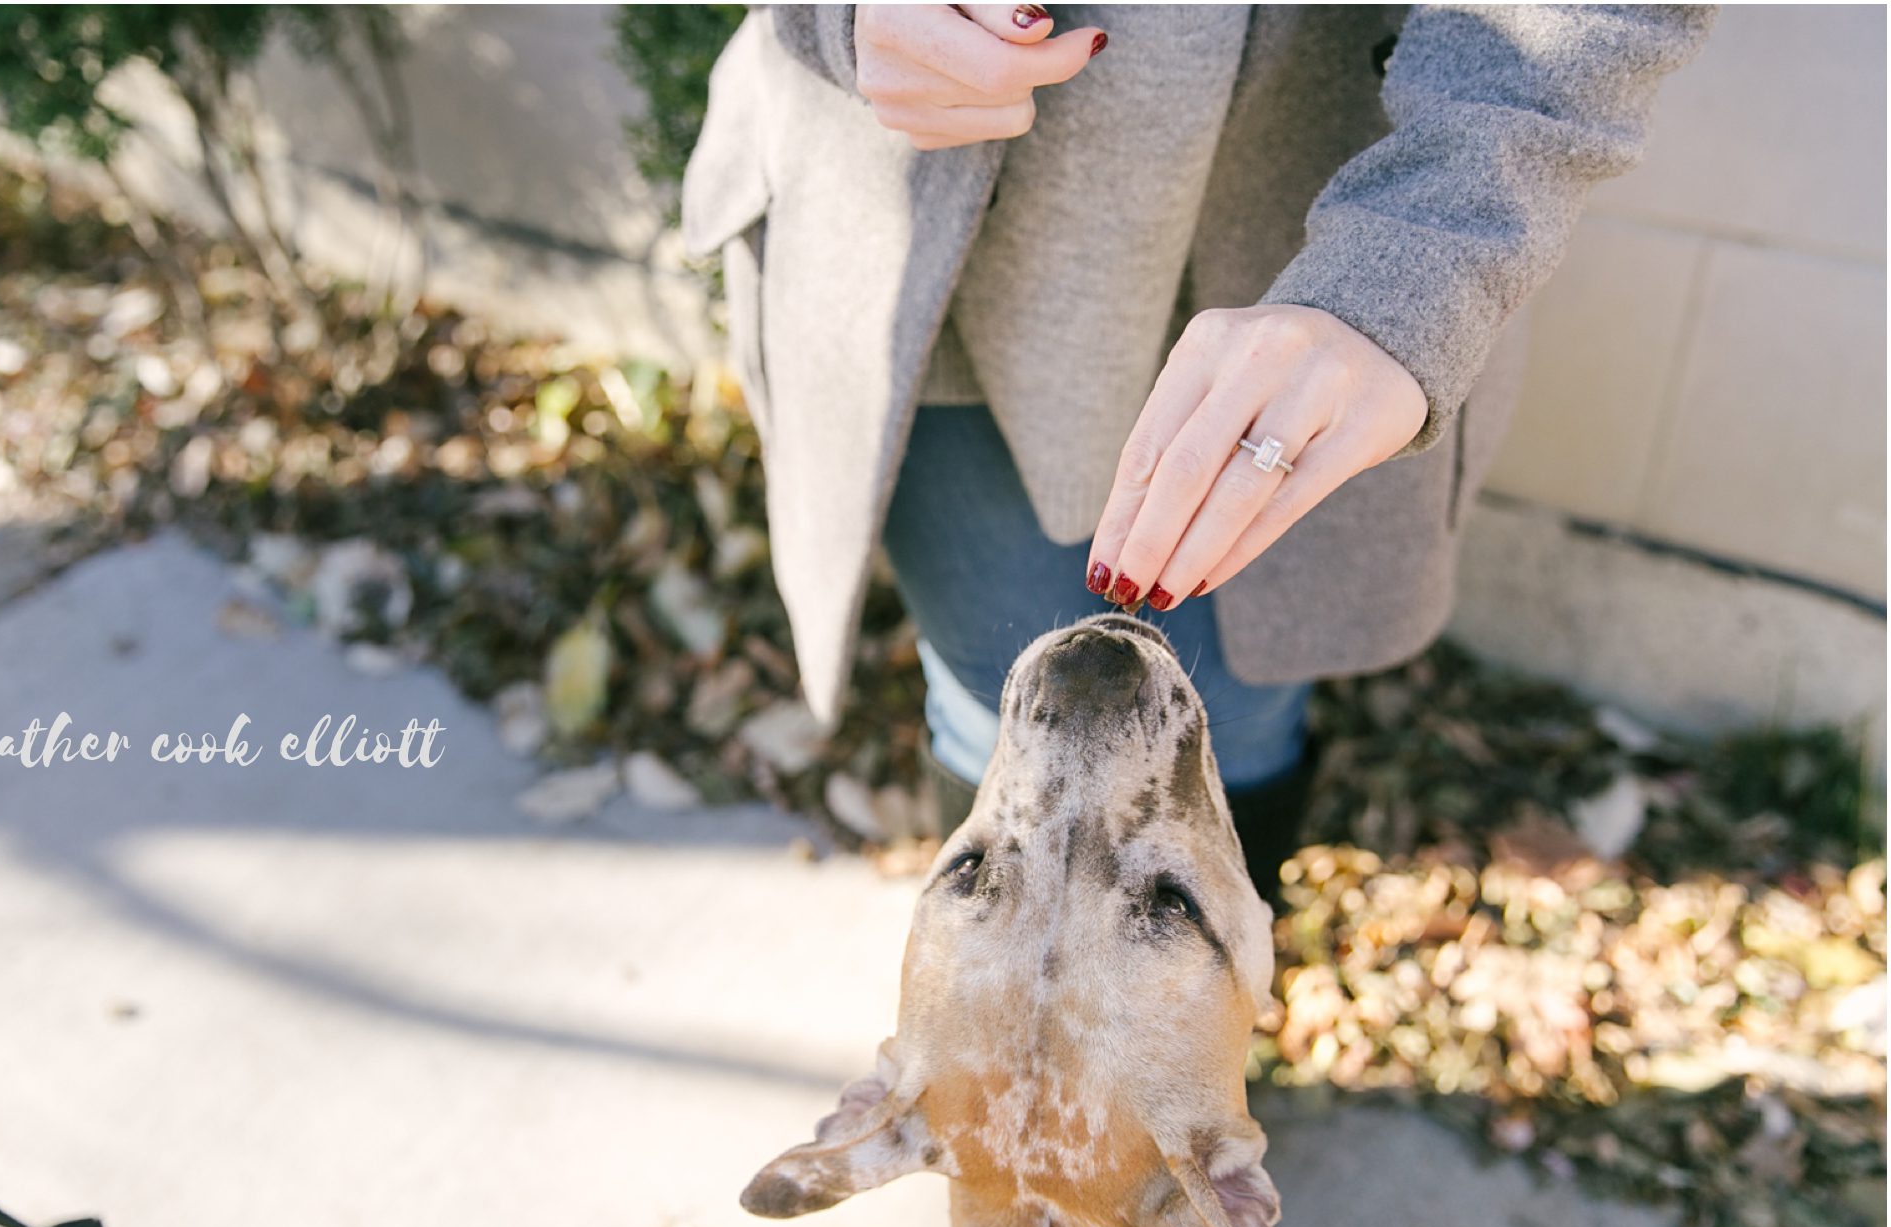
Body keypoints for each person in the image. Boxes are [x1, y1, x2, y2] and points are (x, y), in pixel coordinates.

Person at [682, 4, 1712, 892]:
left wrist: (1416, 264)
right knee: (1002, 722)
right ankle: (994, 1074)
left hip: (1319, 263)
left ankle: (1188, 1076)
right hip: (932, 229)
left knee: (1224, 735)